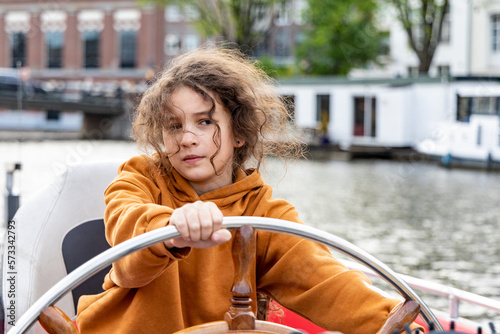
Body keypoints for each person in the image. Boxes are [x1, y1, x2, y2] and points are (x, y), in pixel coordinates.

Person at [76, 44, 420, 334]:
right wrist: (171, 230)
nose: (186, 138)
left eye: (205, 121)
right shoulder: (139, 178)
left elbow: (321, 279)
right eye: (174, 125)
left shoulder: (265, 212)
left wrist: (397, 323)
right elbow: (128, 244)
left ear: (238, 132)